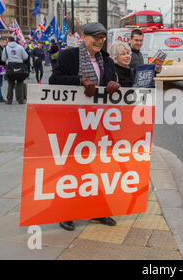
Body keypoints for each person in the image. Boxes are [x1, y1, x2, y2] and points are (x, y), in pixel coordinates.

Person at [49, 22, 120, 232]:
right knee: (72, 169)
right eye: (95, 37)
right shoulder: (68, 56)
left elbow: (112, 83)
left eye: (102, 38)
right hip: (72, 122)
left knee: (98, 168)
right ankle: (67, 213)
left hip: (98, 123)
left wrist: (114, 85)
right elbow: (54, 80)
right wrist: (79, 81)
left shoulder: (106, 60)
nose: (99, 41)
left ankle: (97, 210)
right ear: (84, 38)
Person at [2, 36, 29, 105]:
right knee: (20, 84)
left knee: (10, 84)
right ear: (14, 40)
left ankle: (9, 100)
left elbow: (3, 59)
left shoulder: (5, 48)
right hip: (19, 67)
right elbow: (26, 57)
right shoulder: (20, 47)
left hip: (10, 67)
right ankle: (20, 100)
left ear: (8, 40)